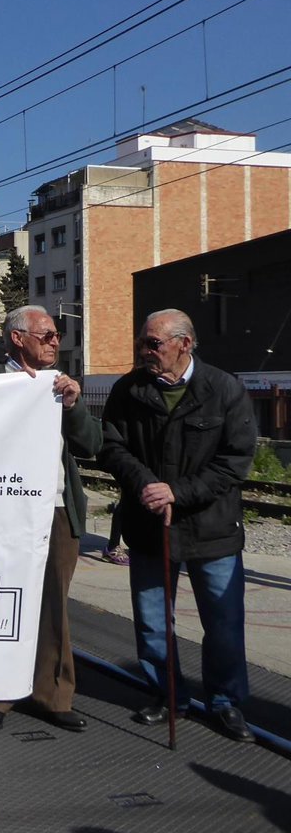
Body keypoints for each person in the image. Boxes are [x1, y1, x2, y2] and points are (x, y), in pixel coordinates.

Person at [98, 309, 258, 742]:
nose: (144, 351)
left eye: (153, 343)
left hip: (213, 529)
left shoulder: (223, 389)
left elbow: (235, 461)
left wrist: (177, 492)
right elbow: (111, 447)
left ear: (184, 343)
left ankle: (225, 702)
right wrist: (146, 485)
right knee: (152, 621)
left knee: (223, 624)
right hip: (150, 527)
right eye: (142, 343)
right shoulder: (128, 390)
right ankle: (168, 695)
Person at [0, 305, 101, 734]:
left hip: (56, 510)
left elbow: (91, 444)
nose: (54, 341)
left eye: (56, 334)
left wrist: (74, 406)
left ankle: (53, 695)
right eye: (45, 335)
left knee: (53, 605)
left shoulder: (60, 385)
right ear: (17, 338)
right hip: (1, 511)